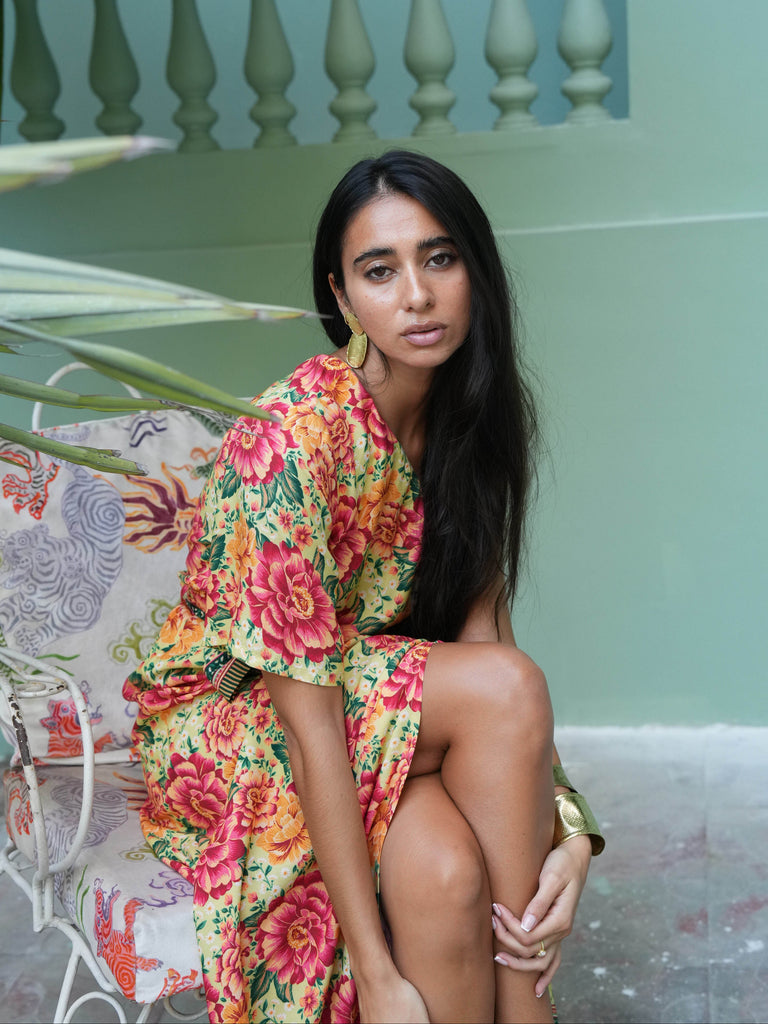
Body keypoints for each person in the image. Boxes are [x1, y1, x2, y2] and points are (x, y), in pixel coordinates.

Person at [124, 149, 604, 1024]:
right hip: (238, 721)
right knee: (506, 689)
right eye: (380, 271)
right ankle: (530, 1008)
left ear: (475, 270)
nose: (417, 295)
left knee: (444, 874)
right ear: (342, 299)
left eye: (439, 258)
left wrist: (568, 833)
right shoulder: (290, 440)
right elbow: (318, 728)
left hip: (379, 711)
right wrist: (375, 976)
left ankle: (512, 990)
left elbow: (483, 651)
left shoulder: (470, 423)